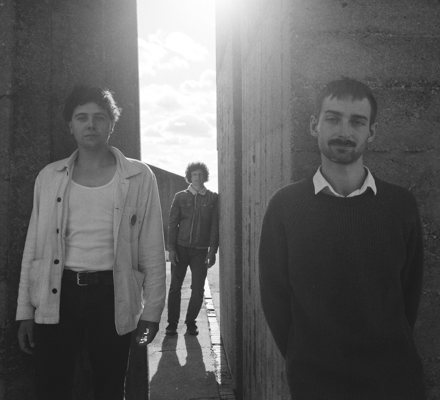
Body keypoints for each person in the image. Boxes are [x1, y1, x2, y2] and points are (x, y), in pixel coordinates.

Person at [259, 78, 425, 400]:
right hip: (316, 385)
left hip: (395, 382)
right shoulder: (285, 207)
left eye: (357, 122)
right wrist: (303, 359)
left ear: (371, 132)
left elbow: (410, 294)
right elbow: (275, 299)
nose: (344, 132)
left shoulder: (400, 205)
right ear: (314, 125)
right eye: (333, 118)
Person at [16, 85, 166, 400]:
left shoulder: (139, 177)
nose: (91, 124)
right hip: (58, 292)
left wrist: (152, 312)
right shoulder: (49, 177)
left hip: (113, 294)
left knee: (110, 387)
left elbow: (152, 249)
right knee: (51, 387)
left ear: (111, 124)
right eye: (81, 117)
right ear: (70, 125)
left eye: (99, 117)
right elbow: (34, 247)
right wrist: (25, 311)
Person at [165, 162, 219, 336]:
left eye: (200, 174)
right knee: (175, 287)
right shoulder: (180, 197)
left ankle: (191, 323)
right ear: (189, 177)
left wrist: (212, 251)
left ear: (205, 177)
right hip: (180, 249)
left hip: (200, 251)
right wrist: (171, 249)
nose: (197, 177)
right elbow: (172, 223)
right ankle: (172, 325)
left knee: (198, 289)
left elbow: (214, 226)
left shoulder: (212, 198)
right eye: (194, 174)